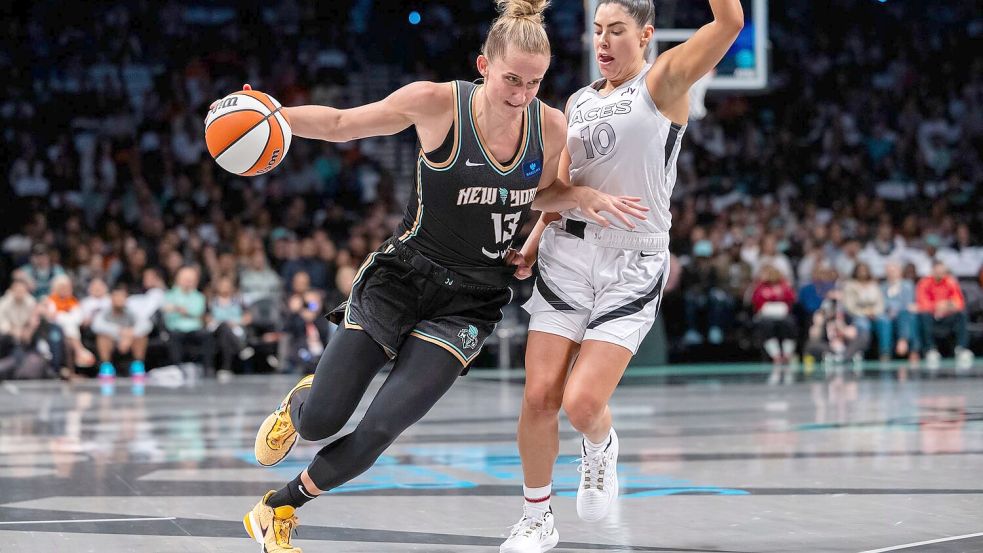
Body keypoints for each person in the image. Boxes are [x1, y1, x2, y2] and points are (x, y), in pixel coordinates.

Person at [216, 3, 646, 552]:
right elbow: (345, 124)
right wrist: (273, 115)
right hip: (402, 278)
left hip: (471, 301)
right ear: (483, 66)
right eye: (512, 79)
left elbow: (540, 193)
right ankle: (301, 403)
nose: (522, 93)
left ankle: (278, 509)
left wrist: (576, 197)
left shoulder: (551, 127)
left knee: (380, 429)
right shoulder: (437, 104)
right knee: (323, 419)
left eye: (534, 83)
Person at [502, 1, 743, 550]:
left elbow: (729, 23)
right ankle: (537, 519)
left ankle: (600, 445)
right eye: (597, 32)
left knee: (581, 404)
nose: (604, 42)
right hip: (567, 253)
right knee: (539, 396)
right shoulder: (580, 100)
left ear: (647, 35)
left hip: (632, 262)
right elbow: (562, 183)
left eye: (617, 31)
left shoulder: (665, 80)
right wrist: (535, 243)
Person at [916, 260, 974, 370]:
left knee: (962, 314)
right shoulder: (924, 283)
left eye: (943, 272)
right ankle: (930, 350)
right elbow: (922, 304)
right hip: (932, 316)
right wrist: (938, 306)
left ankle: (961, 349)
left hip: (947, 315)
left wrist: (946, 306)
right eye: (938, 271)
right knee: (924, 315)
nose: (941, 274)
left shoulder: (950, 282)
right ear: (932, 271)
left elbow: (959, 303)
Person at [91, 283, 152, 379]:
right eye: (117, 296)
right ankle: (106, 367)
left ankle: (138, 366)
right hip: (112, 342)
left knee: (142, 336)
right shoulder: (105, 312)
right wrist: (119, 331)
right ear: (111, 298)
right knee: (102, 337)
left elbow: (147, 325)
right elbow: (96, 325)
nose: (119, 299)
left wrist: (130, 334)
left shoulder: (131, 312)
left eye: (122, 296)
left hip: (130, 342)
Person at [162, 266, 214, 374]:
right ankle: (176, 368)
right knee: (174, 336)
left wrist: (178, 309)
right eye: (185, 279)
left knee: (207, 335)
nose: (188, 282)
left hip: (194, 327)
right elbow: (166, 310)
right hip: (175, 327)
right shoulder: (169, 295)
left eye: (191, 280)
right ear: (178, 279)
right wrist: (180, 310)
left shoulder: (199, 296)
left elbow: (197, 312)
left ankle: (208, 368)